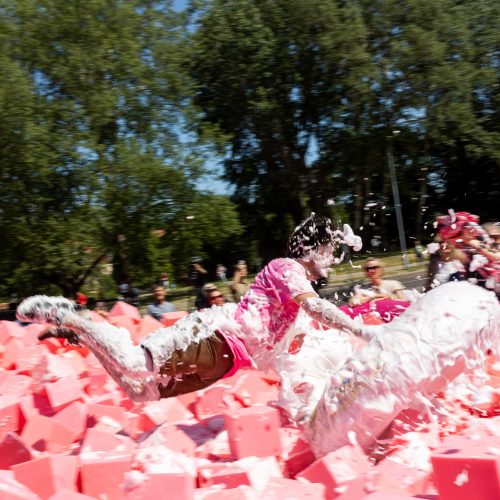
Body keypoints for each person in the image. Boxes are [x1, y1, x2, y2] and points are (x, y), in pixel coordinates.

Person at [16, 214, 499, 458]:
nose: (334, 259)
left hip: (226, 360)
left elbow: (303, 347)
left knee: (138, 390)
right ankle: (75, 317)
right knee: (139, 367)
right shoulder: (286, 268)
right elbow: (318, 308)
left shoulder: (295, 301)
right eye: (330, 251)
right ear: (314, 249)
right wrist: (361, 331)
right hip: (214, 335)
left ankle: (84, 332)